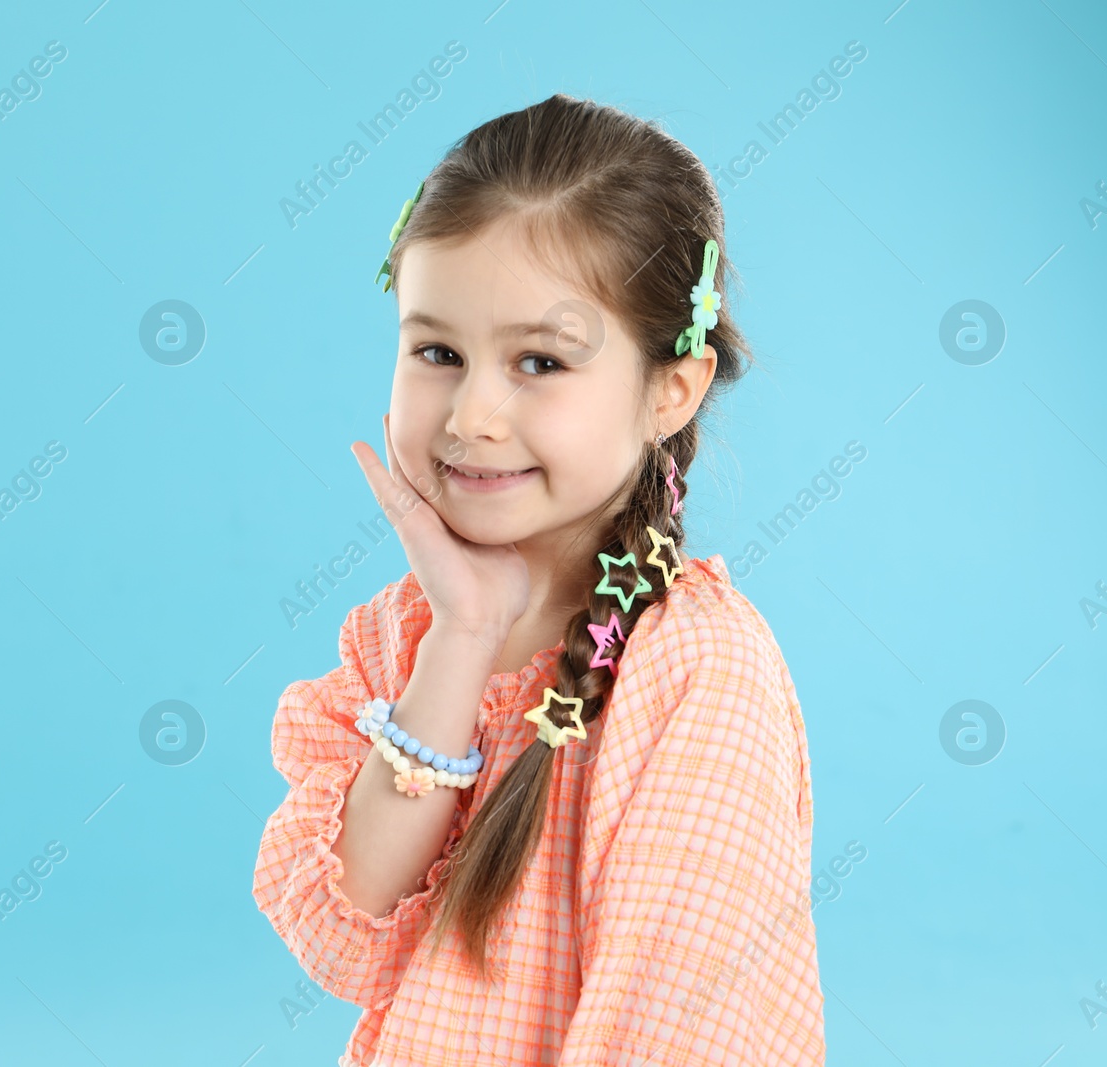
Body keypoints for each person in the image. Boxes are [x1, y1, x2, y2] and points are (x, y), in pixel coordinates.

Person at [252, 93, 823, 1066]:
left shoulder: (693, 667)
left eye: (539, 361)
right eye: (437, 350)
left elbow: (678, 1031)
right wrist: (463, 639)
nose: (472, 413)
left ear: (668, 388)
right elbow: (344, 933)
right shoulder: (402, 637)